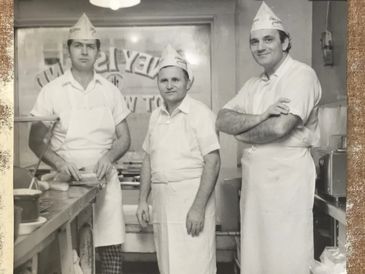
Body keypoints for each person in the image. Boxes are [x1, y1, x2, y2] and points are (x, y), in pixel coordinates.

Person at [216, 2, 322, 274]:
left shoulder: (301, 75)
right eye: (254, 41)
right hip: (256, 188)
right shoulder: (253, 84)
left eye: (268, 39)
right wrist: (263, 116)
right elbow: (222, 119)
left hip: (286, 184)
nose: (260, 47)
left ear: (285, 43)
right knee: (256, 258)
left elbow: (280, 129)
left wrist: (243, 133)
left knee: (286, 257)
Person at [29, 13, 131, 274]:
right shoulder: (51, 91)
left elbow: (125, 138)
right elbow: (35, 141)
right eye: (78, 45)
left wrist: (108, 158)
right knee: (68, 256)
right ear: (68, 49)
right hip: (65, 188)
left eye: (90, 46)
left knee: (108, 255)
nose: (84, 51)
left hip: (105, 185)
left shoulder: (110, 91)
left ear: (98, 51)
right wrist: (61, 163)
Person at [136, 45, 221, 274]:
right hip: (163, 206)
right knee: (169, 266)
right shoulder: (155, 116)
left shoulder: (201, 114)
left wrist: (198, 207)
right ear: (158, 83)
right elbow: (148, 159)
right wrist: (143, 199)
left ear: (188, 82)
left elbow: (213, 162)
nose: (170, 85)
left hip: (191, 204)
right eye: (164, 80)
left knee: (195, 265)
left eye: (176, 79)